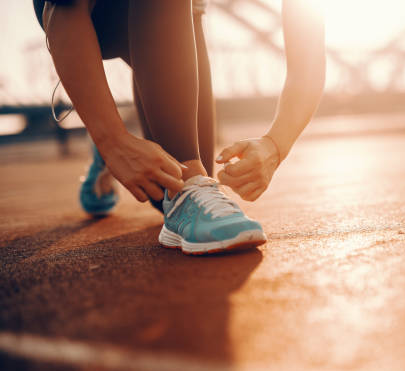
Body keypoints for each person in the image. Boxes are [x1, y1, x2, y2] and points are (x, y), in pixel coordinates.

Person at [33, 0, 326, 254]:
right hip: (89, 12)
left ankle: (114, 130)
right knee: (187, 179)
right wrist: (112, 141)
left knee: (166, 185)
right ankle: (106, 130)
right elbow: (63, 9)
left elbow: (309, 57)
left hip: (169, 13)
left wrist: (275, 145)